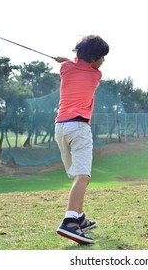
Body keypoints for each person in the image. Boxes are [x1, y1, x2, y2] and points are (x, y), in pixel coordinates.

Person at [53, 35, 109, 244]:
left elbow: (74, 64)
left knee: (78, 176)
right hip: (79, 127)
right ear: (94, 58)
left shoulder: (65, 69)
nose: (103, 61)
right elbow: (86, 68)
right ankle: (69, 222)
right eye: (102, 57)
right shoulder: (96, 75)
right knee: (83, 176)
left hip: (61, 127)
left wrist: (66, 60)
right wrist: (66, 59)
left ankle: (80, 217)